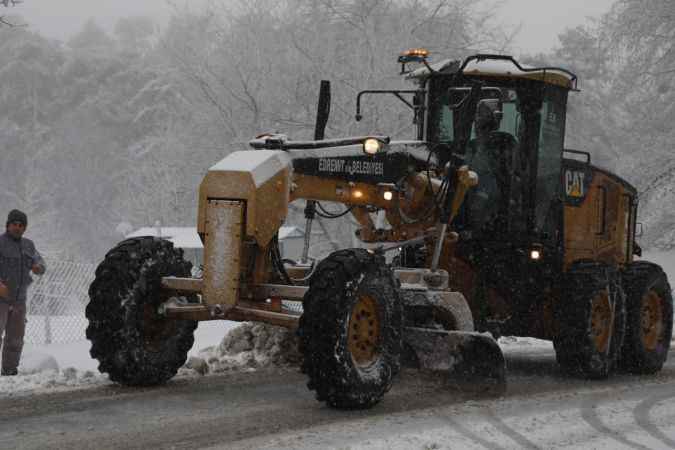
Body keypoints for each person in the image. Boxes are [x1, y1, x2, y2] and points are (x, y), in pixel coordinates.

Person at [0, 209, 46, 376]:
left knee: (16, 339)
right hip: (1, 299)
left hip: (19, 300)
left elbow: (40, 263)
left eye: (21, 225)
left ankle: (10, 371)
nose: (17, 228)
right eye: (14, 224)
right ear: (8, 225)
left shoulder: (29, 245)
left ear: (24, 228)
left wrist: (38, 267)